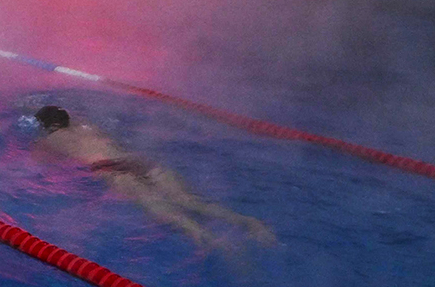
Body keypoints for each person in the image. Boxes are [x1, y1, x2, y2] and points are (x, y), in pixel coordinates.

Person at [22, 105, 274, 248]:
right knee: (190, 201)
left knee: (167, 213)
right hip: (138, 159)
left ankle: (214, 243)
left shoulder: (50, 140)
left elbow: (36, 165)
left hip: (110, 169)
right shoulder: (88, 126)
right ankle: (250, 223)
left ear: (46, 127)